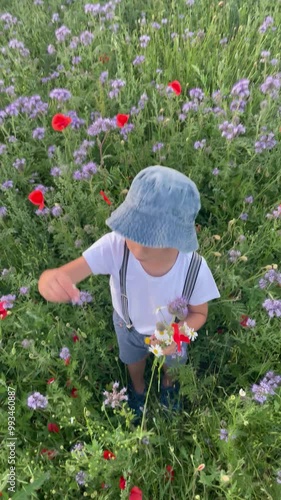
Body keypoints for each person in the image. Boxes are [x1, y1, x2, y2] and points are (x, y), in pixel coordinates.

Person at [38, 165, 220, 419]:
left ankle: (168, 385)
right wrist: (52, 280)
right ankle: (138, 389)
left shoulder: (194, 268)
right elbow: (68, 273)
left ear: (177, 237)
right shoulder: (115, 246)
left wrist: (177, 335)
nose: (136, 243)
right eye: (132, 229)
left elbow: (199, 313)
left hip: (173, 331)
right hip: (128, 327)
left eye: (150, 237)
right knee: (132, 361)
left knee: (174, 364)